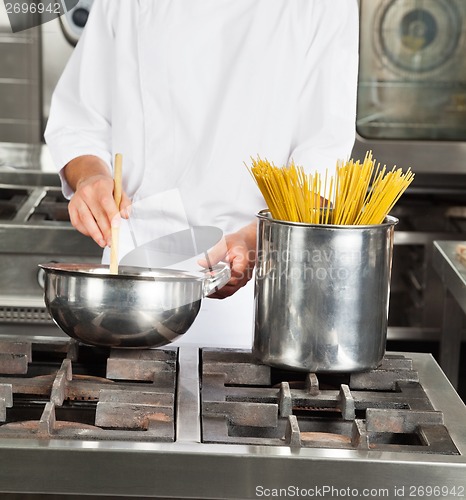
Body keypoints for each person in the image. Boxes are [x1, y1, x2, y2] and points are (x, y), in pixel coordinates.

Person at [44, 0, 360, 348]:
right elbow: (80, 122)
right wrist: (90, 177)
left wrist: (256, 240)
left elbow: (321, 159)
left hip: (253, 288)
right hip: (130, 281)